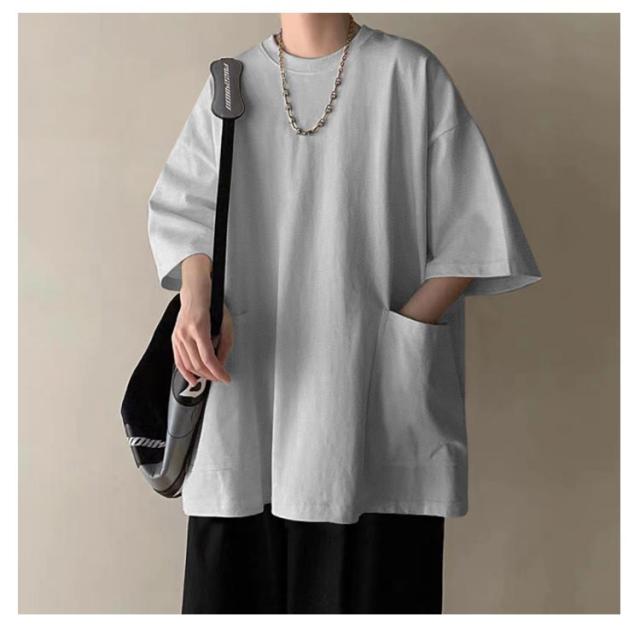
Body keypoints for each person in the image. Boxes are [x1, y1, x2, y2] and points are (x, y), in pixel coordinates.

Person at [147, 13, 542, 614]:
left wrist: (398, 333)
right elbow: (184, 210)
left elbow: (475, 228)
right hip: (249, 401)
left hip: (370, 417)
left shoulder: (409, 74)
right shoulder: (232, 83)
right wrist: (197, 298)